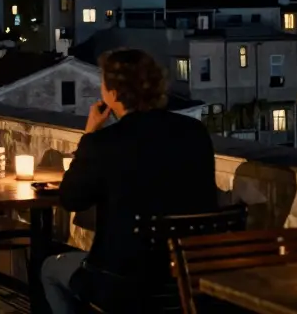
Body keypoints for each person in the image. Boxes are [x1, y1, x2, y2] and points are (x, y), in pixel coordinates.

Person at [40, 48, 219, 314]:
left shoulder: (104, 143)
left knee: (50, 269)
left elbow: (71, 198)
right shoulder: (195, 132)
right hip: (186, 280)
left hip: (121, 284)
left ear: (112, 94)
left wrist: (90, 134)